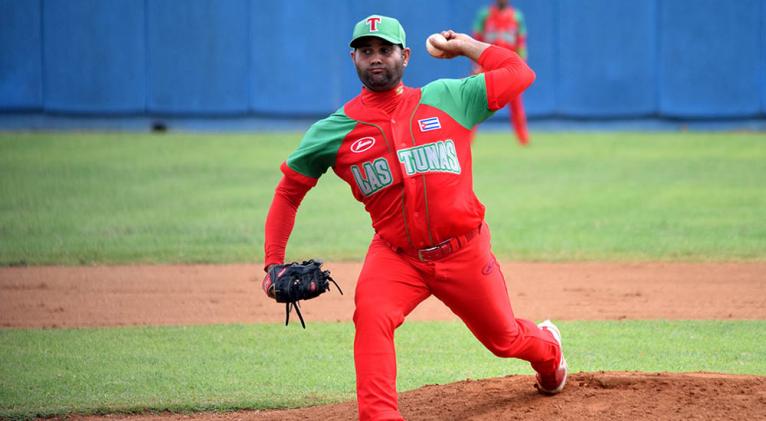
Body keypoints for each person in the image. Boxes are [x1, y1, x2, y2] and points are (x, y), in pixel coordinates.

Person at [262, 14, 566, 421]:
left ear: (404, 56)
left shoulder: (448, 97)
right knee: (371, 315)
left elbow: (519, 72)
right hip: (397, 256)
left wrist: (464, 46)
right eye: (366, 50)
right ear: (352, 58)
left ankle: (549, 349)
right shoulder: (334, 131)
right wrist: (272, 262)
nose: (375, 58)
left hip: (464, 251)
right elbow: (288, 193)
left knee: (505, 338)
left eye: (385, 50)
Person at [473, 0, 530, 145]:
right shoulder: (485, 15)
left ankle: (523, 138)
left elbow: (521, 42)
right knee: (474, 100)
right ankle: (467, 137)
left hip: (509, 65)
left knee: (516, 103)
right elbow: (475, 40)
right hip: (487, 64)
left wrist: (522, 64)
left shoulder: (517, 16)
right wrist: (476, 64)